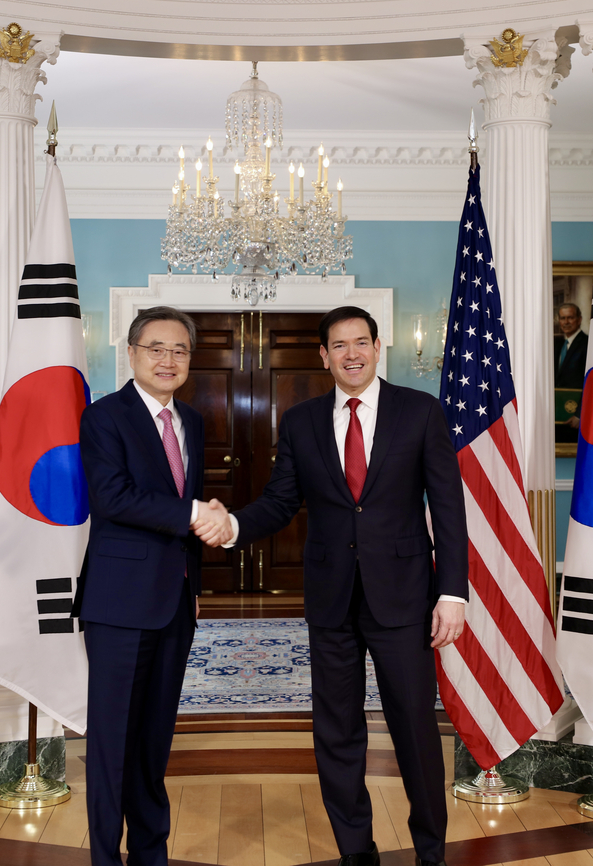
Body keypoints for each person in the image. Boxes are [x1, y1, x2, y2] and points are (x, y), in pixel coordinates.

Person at [195, 305, 467, 866]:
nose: (352, 354)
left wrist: (452, 592)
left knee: (415, 730)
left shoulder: (420, 411)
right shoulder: (301, 420)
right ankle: (355, 853)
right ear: (324, 356)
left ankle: (431, 854)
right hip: (330, 599)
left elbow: (448, 506)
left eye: (361, 342)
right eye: (339, 345)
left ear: (378, 346)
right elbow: (280, 501)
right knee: (337, 733)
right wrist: (234, 526)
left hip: (405, 597)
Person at [73, 305, 228, 866]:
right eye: (156, 348)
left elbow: (182, 508)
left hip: (174, 603)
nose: (168, 360)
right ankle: (105, 859)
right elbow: (112, 498)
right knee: (112, 743)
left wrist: (194, 577)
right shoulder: (103, 417)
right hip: (119, 602)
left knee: (154, 740)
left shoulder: (193, 421)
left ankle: (149, 854)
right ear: (132, 353)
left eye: (179, 350)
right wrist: (195, 513)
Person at [554, 302, 588, 444]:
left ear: (579, 320)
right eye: (563, 318)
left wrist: (580, 414)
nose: (566, 322)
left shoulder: (587, 344)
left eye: (570, 318)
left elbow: (591, 382)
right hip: (556, 417)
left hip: (576, 419)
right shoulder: (556, 345)